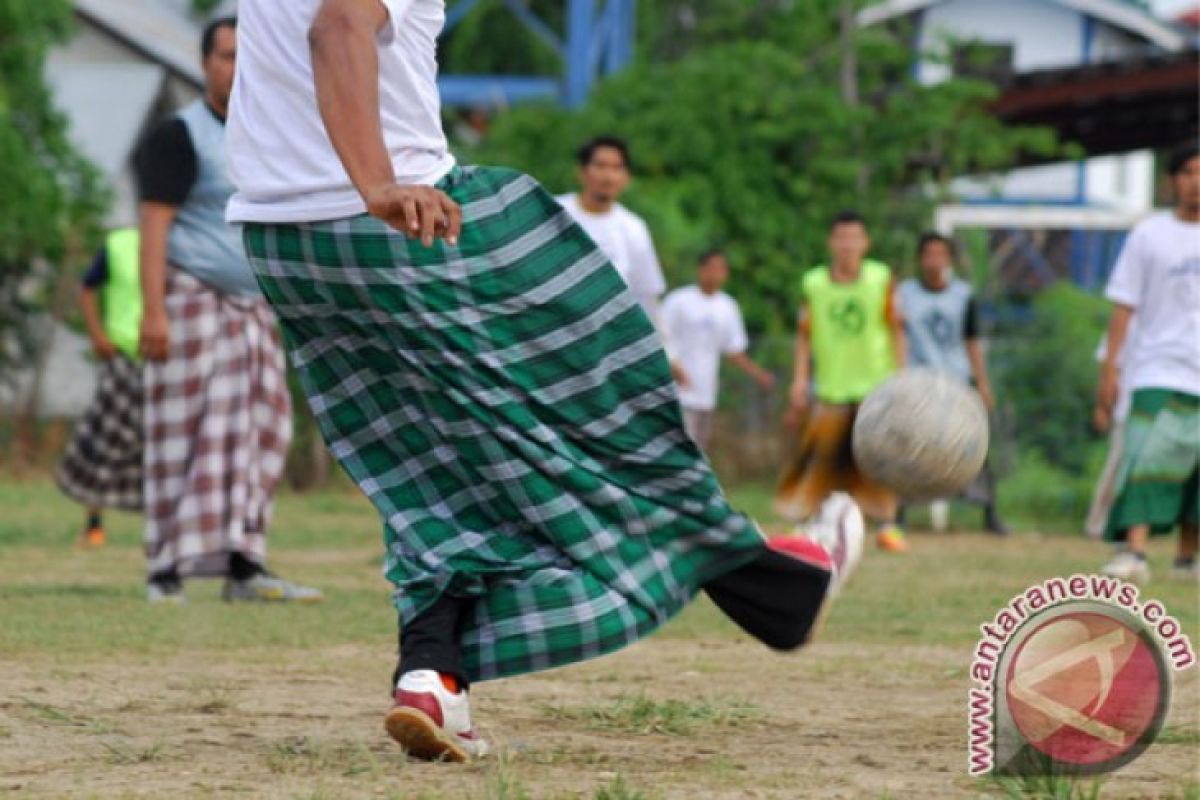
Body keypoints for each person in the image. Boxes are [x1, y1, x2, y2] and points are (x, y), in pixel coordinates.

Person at [226, 0, 862, 763]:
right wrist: (377, 184)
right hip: (394, 218)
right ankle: (772, 584)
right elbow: (339, 25)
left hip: (280, 242)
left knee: (435, 472)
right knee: (598, 395)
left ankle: (433, 673)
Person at [135, 16, 319, 604]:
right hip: (191, 299)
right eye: (227, 56)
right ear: (206, 63)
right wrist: (152, 312)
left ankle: (245, 565)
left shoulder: (269, 134)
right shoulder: (181, 134)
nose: (236, 68)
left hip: (253, 309)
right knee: (181, 430)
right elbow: (153, 226)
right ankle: (166, 569)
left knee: (260, 432)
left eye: (247, 56)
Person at [1095, 144, 1200, 583]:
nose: (1196, 180)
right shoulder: (1148, 234)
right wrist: (1110, 369)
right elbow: (1124, 306)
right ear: (1172, 180)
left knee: (1196, 465)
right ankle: (1134, 551)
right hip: (1156, 367)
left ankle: (1187, 559)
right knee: (1144, 456)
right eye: (1189, 172)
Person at [777, 211, 910, 553]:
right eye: (841, 237)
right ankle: (808, 525)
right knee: (821, 457)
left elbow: (897, 329)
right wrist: (799, 379)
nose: (848, 245)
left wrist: (902, 378)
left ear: (865, 243)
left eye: (854, 237)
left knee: (879, 459)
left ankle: (889, 527)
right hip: (831, 386)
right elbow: (804, 336)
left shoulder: (880, 278)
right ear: (831, 242)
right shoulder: (814, 283)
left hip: (876, 387)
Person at [897, 233, 1007, 535]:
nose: (934, 261)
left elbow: (972, 341)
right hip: (919, 383)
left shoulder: (962, 295)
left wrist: (982, 382)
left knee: (975, 447)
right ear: (921, 260)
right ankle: (899, 513)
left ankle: (989, 513)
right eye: (928, 254)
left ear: (949, 260)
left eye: (941, 254)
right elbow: (898, 336)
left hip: (957, 381)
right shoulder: (904, 294)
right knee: (908, 447)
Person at [56, 228, 145, 547]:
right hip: (120, 355)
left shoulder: (181, 244)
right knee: (104, 439)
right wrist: (97, 335)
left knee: (163, 443)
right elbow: (87, 289)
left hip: (164, 358)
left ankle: (163, 528)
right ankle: (94, 524)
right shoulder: (118, 244)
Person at [661, 248, 775, 449]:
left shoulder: (727, 307)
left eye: (720, 268)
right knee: (681, 447)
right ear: (700, 269)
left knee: (700, 450)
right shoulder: (679, 301)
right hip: (678, 391)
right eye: (710, 267)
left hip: (706, 392)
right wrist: (672, 365)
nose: (715, 272)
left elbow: (733, 351)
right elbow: (660, 336)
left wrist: (758, 374)